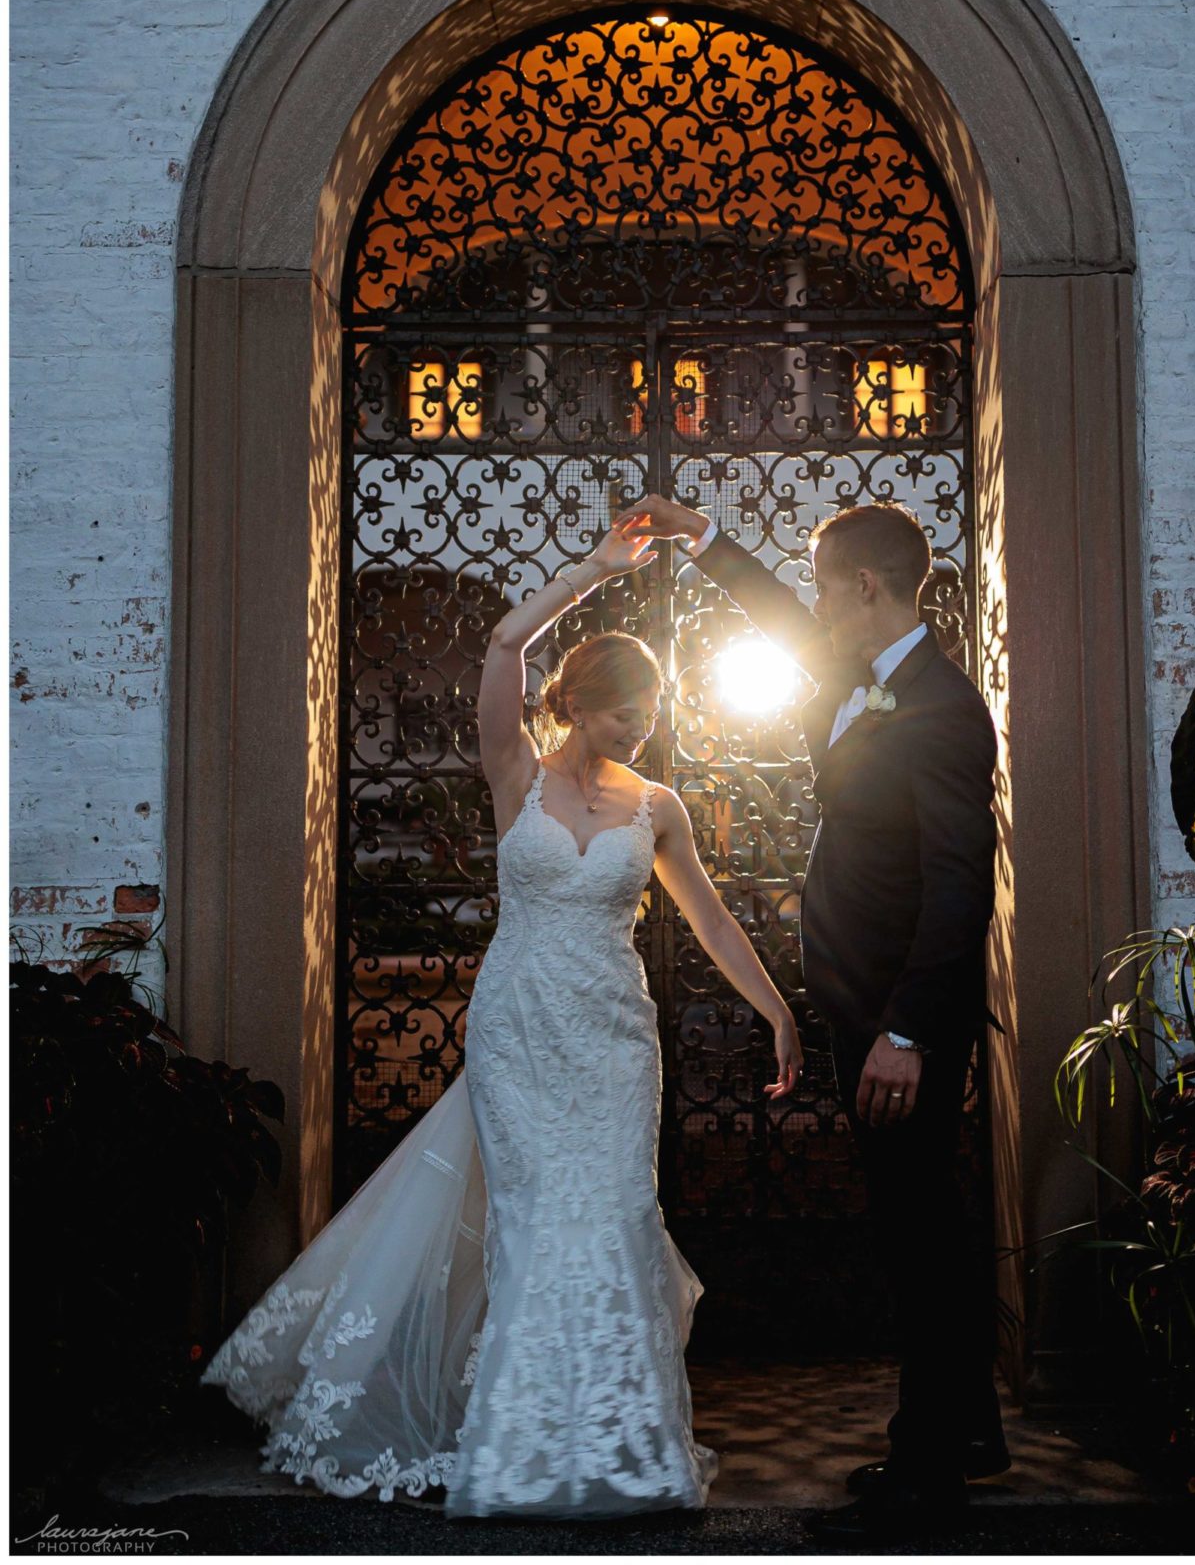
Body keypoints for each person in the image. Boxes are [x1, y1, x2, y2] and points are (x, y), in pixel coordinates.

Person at [199, 517, 803, 1521]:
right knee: (532, 1227)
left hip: (612, 1037)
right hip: (519, 1027)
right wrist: (593, 572)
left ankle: (624, 1447)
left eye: (651, 711)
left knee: (610, 1217)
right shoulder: (513, 774)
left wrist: (777, 1011)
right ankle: (518, 1447)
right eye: (625, 711)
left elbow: (708, 918)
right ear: (583, 703)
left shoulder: (656, 806)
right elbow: (501, 648)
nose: (641, 727)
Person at [619, 493, 1008, 1540]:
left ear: (867, 588)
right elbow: (777, 620)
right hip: (866, 1010)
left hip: (898, 1025)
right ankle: (967, 1428)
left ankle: (925, 1475)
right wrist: (706, 546)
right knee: (923, 1223)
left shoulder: (940, 708)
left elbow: (956, 884)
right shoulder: (862, 675)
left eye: (827, 579)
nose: (817, 597)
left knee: (916, 1236)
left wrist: (911, 1032)